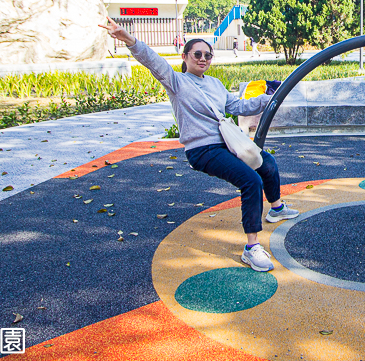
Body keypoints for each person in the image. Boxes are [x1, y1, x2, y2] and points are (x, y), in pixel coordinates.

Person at [101, 17, 297, 272]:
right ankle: (251, 248)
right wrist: (128, 39)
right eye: (197, 54)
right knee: (251, 181)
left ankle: (276, 207)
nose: (203, 58)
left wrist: (268, 97)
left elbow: (237, 106)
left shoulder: (214, 84)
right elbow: (152, 60)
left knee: (267, 163)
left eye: (208, 54)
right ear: (185, 56)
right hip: (203, 149)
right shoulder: (177, 82)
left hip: (226, 143)